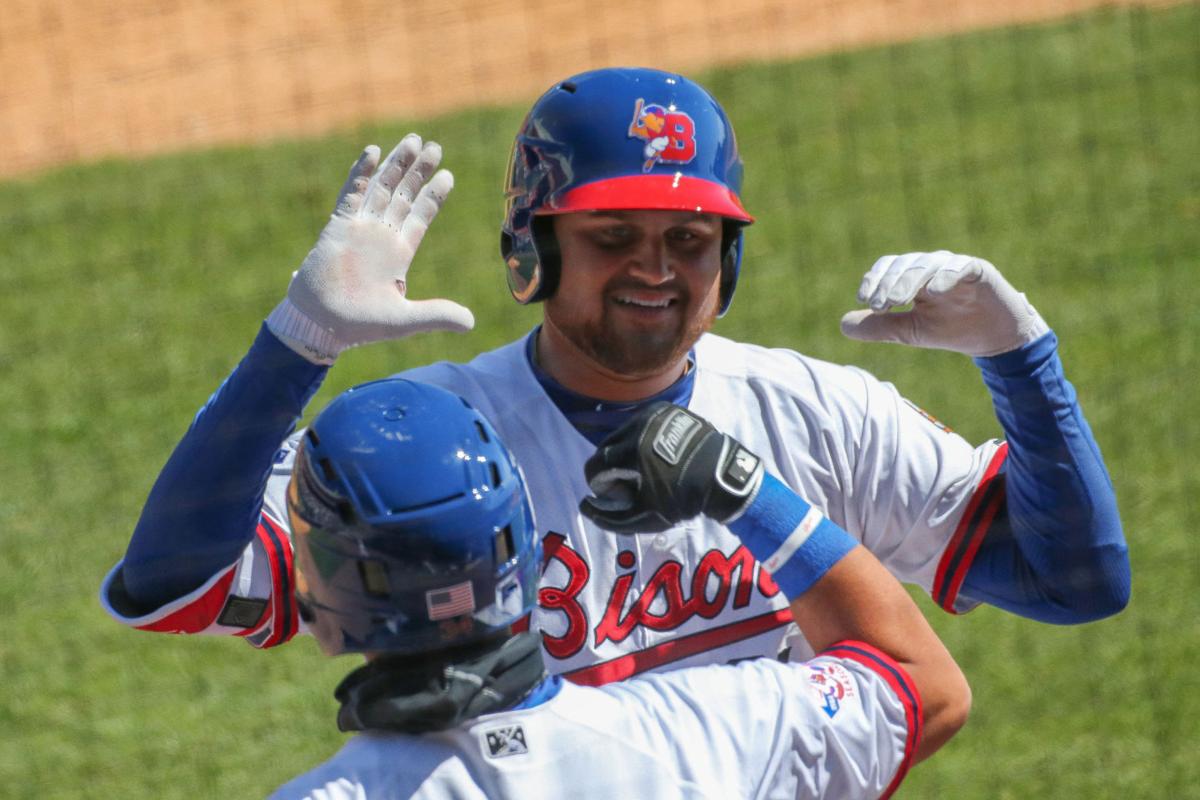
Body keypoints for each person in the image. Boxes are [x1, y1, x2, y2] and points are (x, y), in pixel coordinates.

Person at [101, 67, 1129, 682]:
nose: (656, 266)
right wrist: (297, 344)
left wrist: (1020, 361)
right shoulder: (429, 439)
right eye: (613, 234)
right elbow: (174, 589)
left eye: (691, 236)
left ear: (728, 262)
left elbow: (1073, 579)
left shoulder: (817, 412)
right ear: (532, 249)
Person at [265, 377, 970, 799]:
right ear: (519, 546)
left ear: (324, 591)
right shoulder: (708, 733)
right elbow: (920, 684)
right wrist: (748, 493)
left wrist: (295, 340)